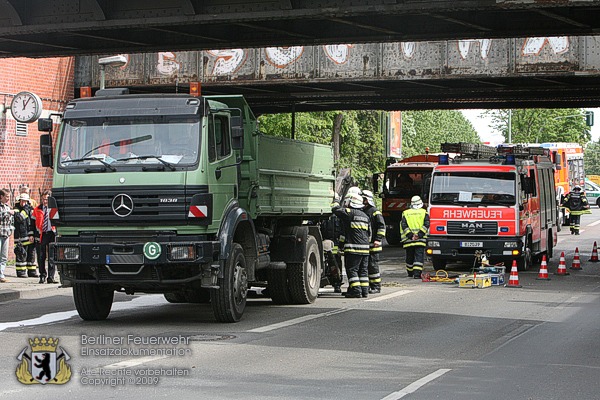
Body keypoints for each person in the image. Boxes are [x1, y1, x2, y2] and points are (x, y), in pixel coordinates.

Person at [332, 192, 371, 298]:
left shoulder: (350, 213)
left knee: (352, 270)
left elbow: (336, 210)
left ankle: (356, 291)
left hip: (354, 248)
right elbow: (369, 233)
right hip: (365, 249)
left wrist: (336, 200)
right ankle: (364, 291)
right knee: (363, 271)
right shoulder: (365, 216)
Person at [362, 190, 386, 294]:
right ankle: (367, 286)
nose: (362, 201)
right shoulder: (362, 211)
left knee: (373, 266)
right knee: (365, 266)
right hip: (365, 244)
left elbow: (382, 226)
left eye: (364, 199)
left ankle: (376, 286)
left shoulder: (375, 212)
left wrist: (378, 239)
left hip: (374, 244)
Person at [400, 195, 430, 279]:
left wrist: (410, 235)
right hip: (420, 239)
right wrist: (419, 235)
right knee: (419, 256)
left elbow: (404, 225)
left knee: (409, 256)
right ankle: (417, 274)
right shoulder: (424, 212)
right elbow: (426, 225)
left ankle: (410, 272)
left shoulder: (405, 213)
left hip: (408, 240)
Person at [32, 191, 58, 283]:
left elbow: (58, 222)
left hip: (52, 233)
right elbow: (32, 224)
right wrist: (32, 235)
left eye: (46, 199)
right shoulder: (37, 209)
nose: (45, 201)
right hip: (41, 234)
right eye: (43, 199)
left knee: (52, 256)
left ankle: (51, 277)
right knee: (41, 256)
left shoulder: (54, 209)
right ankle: (42, 275)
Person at [13, 193, 36, 278]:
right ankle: (21, 272)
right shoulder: (16, 209)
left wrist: (32, 234)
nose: (23, 203)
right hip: (20, 236)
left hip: (29, 235)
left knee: (31, 253)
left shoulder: (30, 209)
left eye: (25, 201)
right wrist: (25, 210)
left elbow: (32, 222)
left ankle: (32, 271)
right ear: (20, 200)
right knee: (21, 253)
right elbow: (19, 218)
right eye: (22, 201)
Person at [0, 188, 15, 283]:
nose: (8, 199)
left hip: (6, 234)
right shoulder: (3, 208)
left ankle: (1, 274)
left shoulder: (7, 206)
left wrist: (11, 230)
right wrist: (8, 213)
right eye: (6, 197)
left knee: (4, 256)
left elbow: (11, 221)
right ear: (1, 196)